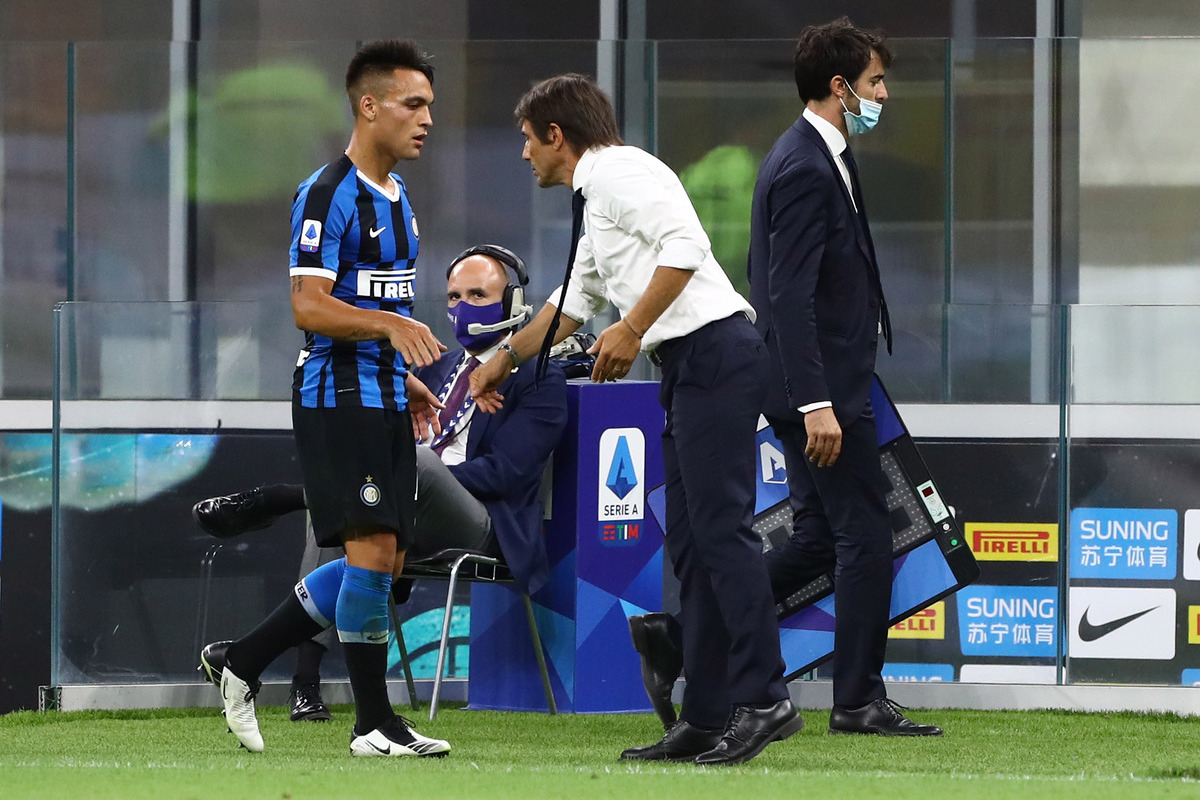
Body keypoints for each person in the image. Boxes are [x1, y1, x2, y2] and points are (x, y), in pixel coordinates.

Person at [469, 73, 801, 767]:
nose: (525, 156)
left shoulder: (620, 173)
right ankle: (706, 719)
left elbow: (687, 246)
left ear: (557, 136)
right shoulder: (599, 195)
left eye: (529, 141)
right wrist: (504, 356)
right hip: (689, 366)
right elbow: (574, 300)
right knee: (691, 545)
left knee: (721, 535)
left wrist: (632, 329)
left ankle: (765, 699)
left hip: (716, 355)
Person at [196, 246, 568, 727]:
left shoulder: (538, 378)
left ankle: (281, 499)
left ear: (514, 302)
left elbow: (508, 475)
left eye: (479, 294)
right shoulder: (434, 367)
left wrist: (407, 472)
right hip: (407, 509)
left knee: (394, 472)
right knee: (361, 495)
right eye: (455, 296)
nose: (463, 306)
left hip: (483, 525)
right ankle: (277, 673)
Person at [209, 39, 452, 758]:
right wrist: (391, 326)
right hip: (335, 395)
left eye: (431, 106)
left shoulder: (400, 198)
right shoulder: (326, 194)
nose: (426, 119)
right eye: (413, 104)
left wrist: (397, 368)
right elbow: (309, 307)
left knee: (385, 558)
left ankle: (244, 661)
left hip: (376, 388)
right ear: (368, 105)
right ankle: (374, 724)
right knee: (372, 551)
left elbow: (366, 303)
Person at [747, 17, 940, 736]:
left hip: (823, 379)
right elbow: (785, 294)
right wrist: (817, 401)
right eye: (875, 82)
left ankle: (686, 631)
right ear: (839, 87)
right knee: (865, 536)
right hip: (822, 390)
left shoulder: (818, 152)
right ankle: (858, 699)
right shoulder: (802, 164)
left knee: (822, 538)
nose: (883, 95)